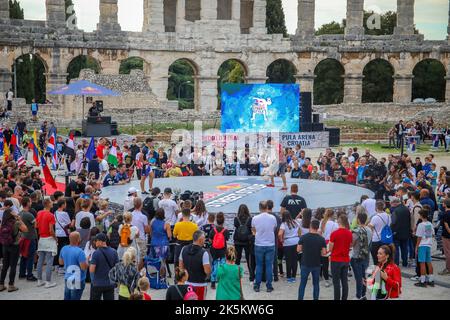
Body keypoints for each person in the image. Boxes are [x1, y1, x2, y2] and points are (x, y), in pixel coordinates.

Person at [297, 219, 327, 300]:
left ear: (310, 226)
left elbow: (298, 250)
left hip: (305, 263)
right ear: (318, 228)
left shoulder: (304, 237)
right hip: (316, 264)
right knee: (316, 284)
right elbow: (324, 253)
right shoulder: (321, 239)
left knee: (303, 284)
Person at [0, 208, 28, 292]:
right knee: (13, 265)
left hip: (5, 245)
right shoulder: (17, 223)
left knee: (5, 265)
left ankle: (1, 285)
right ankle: (11, 285)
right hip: (14, 246)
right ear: (12, 214)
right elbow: (26, 229)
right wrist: (19, 219)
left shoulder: (3, 223)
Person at [252, 201, 277, 293]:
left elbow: (254, 230)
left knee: (259, 265)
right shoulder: (272, 218)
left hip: (259, 244)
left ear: (259, 208)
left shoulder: (255, 218)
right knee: (269, 266)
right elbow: (274, 228)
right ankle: (269, 286)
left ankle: (257, 285)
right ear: (267, 207)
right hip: (270, 244)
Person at [179, 230, 211, 300]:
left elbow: (181, 267)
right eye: (204, 238)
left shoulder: (183, 249)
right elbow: (207, 271)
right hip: (200, 284)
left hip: (187, 283)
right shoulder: (204, 253)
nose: (205, 240)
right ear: (200, 240)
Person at [329, 214, 352, 301]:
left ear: (338, 222)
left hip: (336, 260)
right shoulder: (349, 233)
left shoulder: (334, 233)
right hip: (345, 259)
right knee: (344, 281)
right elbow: (350, 245)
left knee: (336, 283)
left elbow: (330, 248)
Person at [90, 233, 119, 300]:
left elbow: (92, 270)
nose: (95, 242)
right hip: (110, 283)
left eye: (96, 240)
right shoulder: (114, 251)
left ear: (100, 241)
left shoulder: (96, 253)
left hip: (98, 283)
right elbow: (117, 267)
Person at [59, 232, 88, 300]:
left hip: (68, 277)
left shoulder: (64, 248)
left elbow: (61, 262)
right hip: (78, 279)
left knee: (67, 297)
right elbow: (83, 267)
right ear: (78, 239)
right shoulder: (80, 251)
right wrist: (87, 261)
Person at [36, 198, 58, 288]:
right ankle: (48, 282)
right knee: (49, 261)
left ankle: (39, 280)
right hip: (49, 239)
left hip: (41, 238)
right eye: (51, 202)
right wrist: (56, 238)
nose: (52, 203)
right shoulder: (50, 215)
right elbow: (51, 230)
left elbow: (36, 225)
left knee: (40, 261)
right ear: (48, 204)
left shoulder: (39, 213)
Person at [351, 211, 372, 300]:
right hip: (366, 256)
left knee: (358, 278)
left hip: (356, 256)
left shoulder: (356, 231)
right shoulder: (369, 230)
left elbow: (352, 244)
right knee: (364, 276)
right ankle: (363, 295)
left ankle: (358, 296)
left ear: (358, 220)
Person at [18, 197, 38, 282]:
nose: (31, 202)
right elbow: (36, 225)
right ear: (27, 203)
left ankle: (22, 273)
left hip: (23, 237)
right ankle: (29, 275)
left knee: (24, 256)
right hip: (30, 237)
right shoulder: (29, 215)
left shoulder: (20, 213)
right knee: (30, 257)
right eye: (30, 201)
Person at [209, 212, 230, 289]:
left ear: (216, 220)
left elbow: (210, 239)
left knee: (214, 265)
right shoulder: (225, 231)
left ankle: (213, 282)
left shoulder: (213, 230)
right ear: (223, 220)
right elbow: (227, 239)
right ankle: (222, 281)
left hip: (214, 250)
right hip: (222, 250)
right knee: (223, 265)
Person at [414, 209, 435, 287]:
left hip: (422, 245)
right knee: (428, 262)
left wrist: (416, 247)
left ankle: (423, 281)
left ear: (421, 216)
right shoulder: (429, 224)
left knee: (422, 263)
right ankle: (431, 279)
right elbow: (432, 234)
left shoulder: (421, 225)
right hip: (428, 244)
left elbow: (419, 237)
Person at [233, 204, 254, 281]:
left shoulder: (236, 219)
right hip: (247, 241)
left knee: (237, 258)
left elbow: (236, 226)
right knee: (249, 259)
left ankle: (236, 275)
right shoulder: (250, 219)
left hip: (238, 241)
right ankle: (251, 276)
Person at [279, 211, 300, 283]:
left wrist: (281, 240)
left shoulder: (283, 224)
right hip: (296, 241)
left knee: (288, 261)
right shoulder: (295, 222)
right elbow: (299, 231)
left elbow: (279, 234)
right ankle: (293, 277)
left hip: (288, 243)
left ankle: (289, 277)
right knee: (295, 260)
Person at [369, 200, 391, 265]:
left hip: (376, 240)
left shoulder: (375, 217)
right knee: (385, 258)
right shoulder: (388, 216)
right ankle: (384, 272)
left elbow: (371, 228)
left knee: (376, 260)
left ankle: (378, 272)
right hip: (386, 239)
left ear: (376, 207)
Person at [390, 197, 411, 267]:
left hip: (397, 233)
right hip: (406, 232)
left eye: (391, 204)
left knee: (396, 249)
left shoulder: (395, 211)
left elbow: (393, 222)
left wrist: (392, 230)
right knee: (405, 248)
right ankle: (405, 263)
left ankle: (396, 263)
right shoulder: (406, 209)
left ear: (395, 203)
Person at [54, 199, 72, 274]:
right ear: (63, 205)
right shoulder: (64, 213)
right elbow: (69, 223)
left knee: (57, 249)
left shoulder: (55, 212)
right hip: (63, 233)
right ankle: (62, 266)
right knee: (63, 249)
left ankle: (56, 265)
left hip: (57, 232)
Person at [131, 197, 150, 265]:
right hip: (141, 238)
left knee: (133, 256)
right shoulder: (143, 216)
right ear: (141, 205)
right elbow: (147, 230)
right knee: (142, 257)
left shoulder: (130, 215)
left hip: (132, 238)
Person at [439, 198, 450, 275]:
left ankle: (448, 268)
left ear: (445, 204)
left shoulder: (445, 214)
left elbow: (446, 225)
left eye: (443, 203)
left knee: (447, 252)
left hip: (446, 235)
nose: (442, 204)